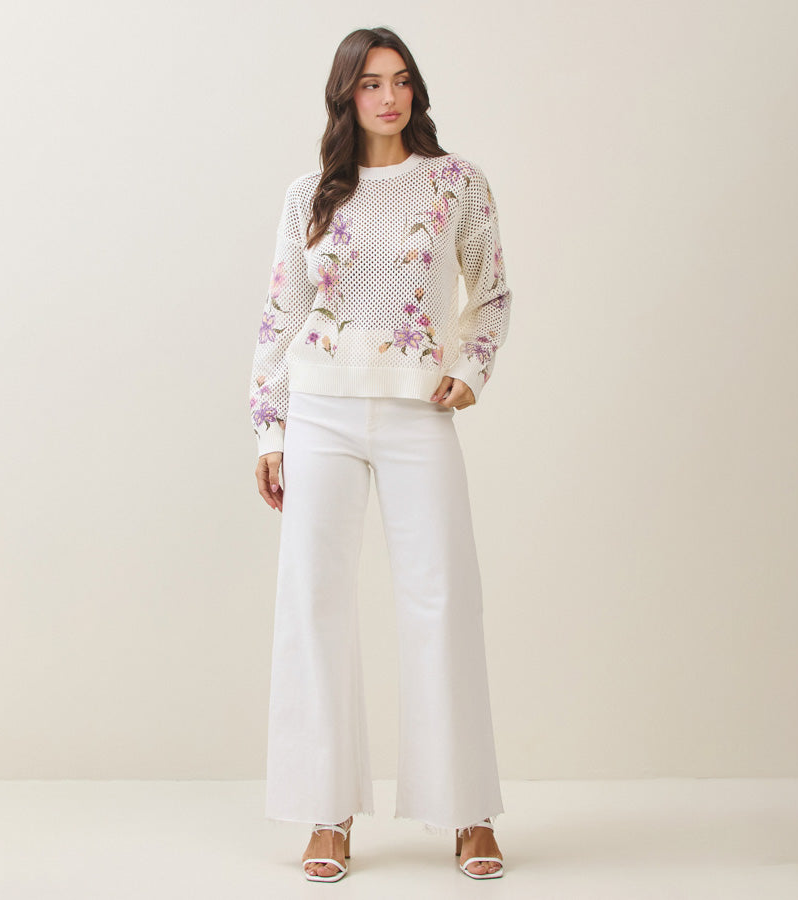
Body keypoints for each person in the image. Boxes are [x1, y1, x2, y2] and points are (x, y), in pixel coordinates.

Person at [248, 26, 512, 882]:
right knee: (315, 602)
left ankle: (468, 809)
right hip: (319, 409)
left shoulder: (456, 183)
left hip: (415, 411)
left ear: (415, 90)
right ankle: (326, 812)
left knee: (443, 598)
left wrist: (471, 368)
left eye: (400, 81)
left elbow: (491, 291)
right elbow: (281, 317)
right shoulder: (310, 195)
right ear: (346, 96)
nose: (388, 97)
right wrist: (271, 429)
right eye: (370, 84)